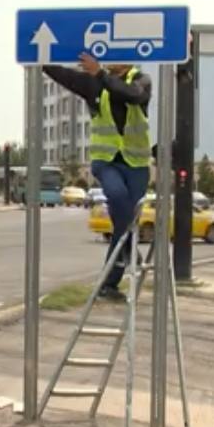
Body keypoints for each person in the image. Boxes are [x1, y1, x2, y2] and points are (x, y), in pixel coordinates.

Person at [43, 53, 152, 302]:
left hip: (136, 163)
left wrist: (101, 74)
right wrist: (41, 61)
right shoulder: (91, 83)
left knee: (125, 224)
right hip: (106, 161)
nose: (116, 61)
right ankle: (127, 253)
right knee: (117, 197)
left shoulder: (142, 80)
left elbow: (133, 95)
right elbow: (64, 76)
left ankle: (109, 284)